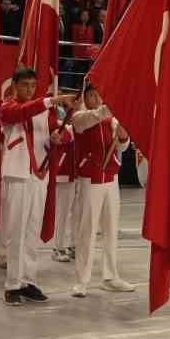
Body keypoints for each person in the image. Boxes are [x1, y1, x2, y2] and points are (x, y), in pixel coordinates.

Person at [0, 68, 76, 305]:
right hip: (18, 174)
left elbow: (62, 134)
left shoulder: (45, 111)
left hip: (40, 175)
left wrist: (58, 138)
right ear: (14, 85)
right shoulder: (8, 107)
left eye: (33, 85)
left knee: (32, 231)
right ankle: (12, 284)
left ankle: (28, 280)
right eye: (25, 85)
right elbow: (22, 112)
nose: (29, 90)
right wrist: (51, 100)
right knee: (16, 232)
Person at [68, 85, 139, 297]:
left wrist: (124, 136)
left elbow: (123, 146)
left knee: (111, 229)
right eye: (92, 95)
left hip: (111, 178)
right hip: (90, 179)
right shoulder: (79, 117)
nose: (96, 98)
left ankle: (110, 276)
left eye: (99, 95)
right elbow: (96, 116)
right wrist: (120, 102)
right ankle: (82, 281)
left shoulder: (111, 118)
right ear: (84, 97)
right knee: (87, 232)